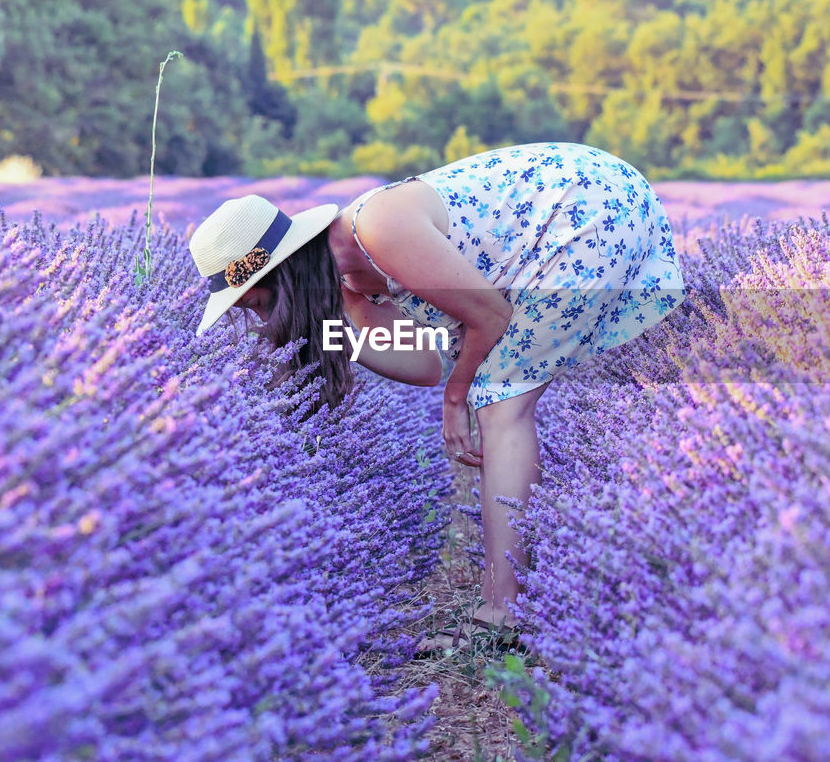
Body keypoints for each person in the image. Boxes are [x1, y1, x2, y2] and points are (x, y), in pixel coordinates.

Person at [189, 142, 684, 645]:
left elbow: (489, 318)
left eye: (257, 302)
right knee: (497, 396)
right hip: (569, 215)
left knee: (500, 405)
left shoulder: (377, 230)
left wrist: (456, 400)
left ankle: (502, 618)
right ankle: (507, 603)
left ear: (278, 277)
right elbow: (426, 361)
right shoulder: (349, 284)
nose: (259, 318)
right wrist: (333, 331)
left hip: (589, 207)